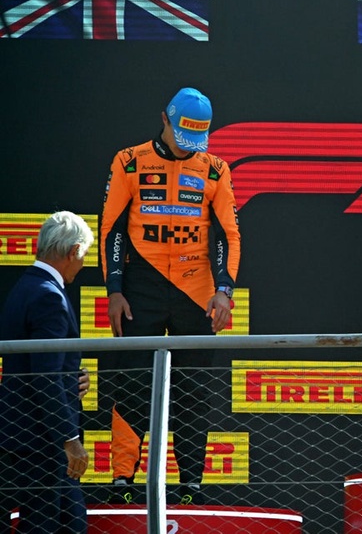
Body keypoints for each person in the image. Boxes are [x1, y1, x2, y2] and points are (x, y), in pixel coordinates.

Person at [100, 86, 240, 504]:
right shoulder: (129, 161)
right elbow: (111, 229)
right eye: (182, 135)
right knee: (131, 383)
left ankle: (191, 485)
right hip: (139, 288)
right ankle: (122, 480)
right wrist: (114, 289)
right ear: (165, 118)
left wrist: (224, 290)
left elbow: (228, 234)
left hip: (195, 291)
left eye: (195, 139)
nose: (187, 146)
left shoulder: (215, 169)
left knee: (193, 389)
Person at [0, 211, 93, 533]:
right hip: (43, 439)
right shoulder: (49, 296)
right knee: (49, 525)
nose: (83, 265)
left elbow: (42, 366)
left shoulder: (26, 286)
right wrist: (70, 440)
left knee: (70, 522)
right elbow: (44, 377)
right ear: (74, 251)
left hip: (24, 432)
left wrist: (72, 375)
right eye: (84, 256)